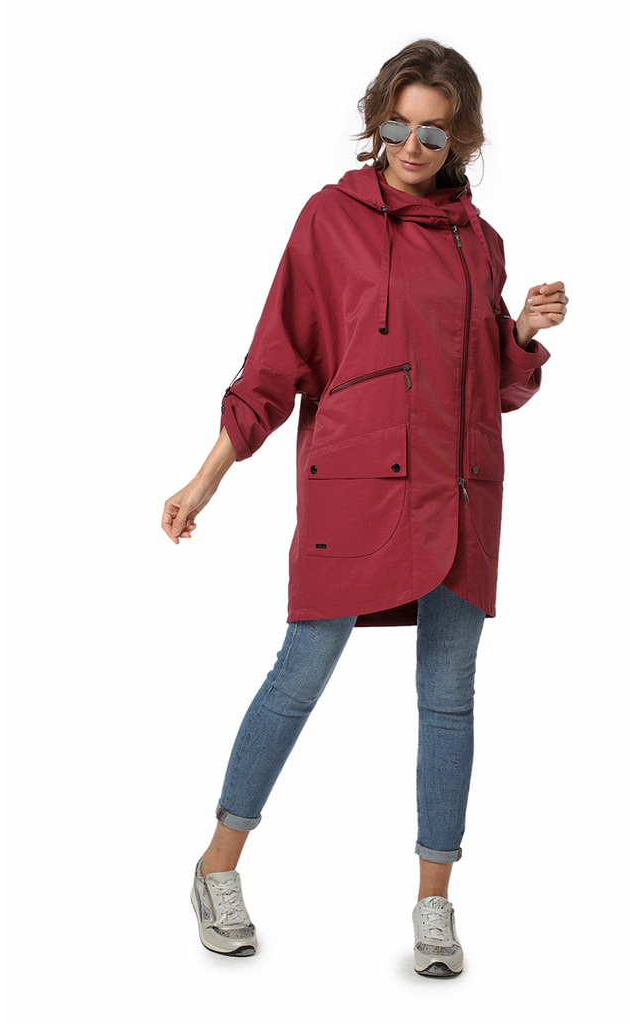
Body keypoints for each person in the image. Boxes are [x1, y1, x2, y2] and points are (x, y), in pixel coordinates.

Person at [162, 37, 568, 976]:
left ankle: (435, 905)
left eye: (434, 131)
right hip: (355, 486)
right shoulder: (328, 220)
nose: (411, 145)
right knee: (299, 674)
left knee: (449, 698)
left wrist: (519, 332)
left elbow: (492, 388)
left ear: (461, 139)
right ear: (377, 123)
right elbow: (277, 358)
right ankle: (217, 865)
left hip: (459, 490)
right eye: (398, 125)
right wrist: (207, 474)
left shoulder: (480, 241)